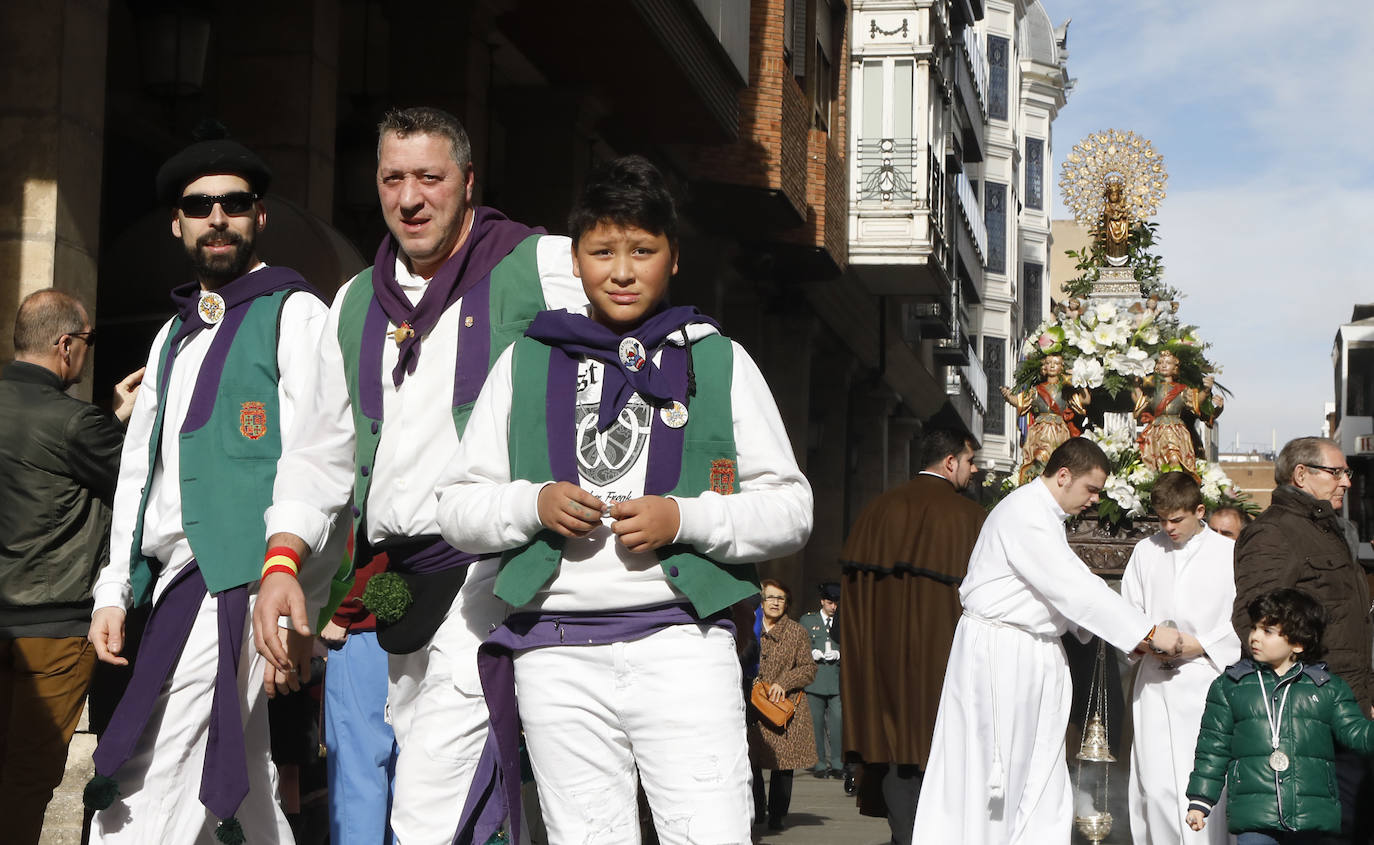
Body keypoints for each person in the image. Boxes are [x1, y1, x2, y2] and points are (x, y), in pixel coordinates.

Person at [434, 154, 813, 844]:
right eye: (602, 251)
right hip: (556, 652)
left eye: (642, 250)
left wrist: (686, 518)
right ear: (575, 260)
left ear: (674, 258)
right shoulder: (526, 362)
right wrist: (532, 504)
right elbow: (457, 508)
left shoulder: (716, 360)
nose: (622, 270)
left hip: (684, 644)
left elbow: (791, 508)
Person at [250, 106, 585, 844]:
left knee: (438, 798)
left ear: (468, 181)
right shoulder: (355, 302)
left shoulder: (540, 266)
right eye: (392, 179)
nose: (409, 198)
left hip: (496, 572)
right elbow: (319, 454)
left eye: (429, 178)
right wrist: (284, 562)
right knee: (408, 775)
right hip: (394, 576)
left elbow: (632, 321)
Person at [84, 130, 345, 844]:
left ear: (259, 215)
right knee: (241, 776)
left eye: (234, 202)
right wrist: (113, 589)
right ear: (178, 223)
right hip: (173, 578)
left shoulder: (296, 312)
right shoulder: (171, 335)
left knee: (149, 768)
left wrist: (298, 589)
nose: (217, 218)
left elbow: (324, 454)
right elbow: (139, 473)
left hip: (245, 579)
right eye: (200, 206)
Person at [911, 437, 1184, 843]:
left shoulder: (1044, 516)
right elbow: (1072, 587)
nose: (1095, 500)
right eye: (1091, 489)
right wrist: (1147, 632)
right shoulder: (1024, 513)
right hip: (1002, 652)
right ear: (1064, 475)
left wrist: (1133, 633)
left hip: (1031, 650)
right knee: (998, 767)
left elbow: (1073, 585)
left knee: (1040, 770)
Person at [0, 290, 140, 845]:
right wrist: (134, 420)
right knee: (26, 780)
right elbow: (141, 484)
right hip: (53, 630)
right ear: (65, 345)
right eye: (88, 340)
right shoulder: (75, 422)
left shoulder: (73, 422)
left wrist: (110, 416)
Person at [838, 427, 985, 845]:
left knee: (893, 752)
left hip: (881, 664)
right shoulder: (970, 518)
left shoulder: (877, 511)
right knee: (938, 751)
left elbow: (853, 605)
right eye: (970, 461)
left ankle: (905, 836)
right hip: (943, 664)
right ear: (950, 462)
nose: (974, 470)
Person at [1232, 436, 1374, 844]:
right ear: (1301, 474)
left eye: (1347, 472)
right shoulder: (1274, 533)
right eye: (1336, 472)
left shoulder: (1329, 531)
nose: (1346, 481)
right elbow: (1256, 621)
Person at [1186, 589, 1374, 845]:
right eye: (1254, 627)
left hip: (1309, 811)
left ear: (1298, 643)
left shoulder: (1327, 688)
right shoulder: (1230, 686)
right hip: (1255, 810)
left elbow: (1356, 733)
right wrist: (1200, 801)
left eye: (1268, 631)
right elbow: (1213, 748)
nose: (1255, 636)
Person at [1120, 471, 1241, 845]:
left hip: (1205, 679)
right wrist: (1145, 641)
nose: (1168, 528)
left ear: (1199, 511)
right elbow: (1127, 612)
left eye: (1176, 520)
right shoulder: (1146, 551)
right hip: (1154, 681)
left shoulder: (1228, 553)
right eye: (1162, 520)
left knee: (1204, 781)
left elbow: (1241, 618)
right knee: (1155, 784)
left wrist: (1201, 644)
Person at [750, 579, 818, 832]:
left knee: (783, 765)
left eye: (781, 598)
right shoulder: (749, 627)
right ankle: (757, 809)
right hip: (752, 706)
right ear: (762, 601)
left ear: (787, 603)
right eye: (771, 597)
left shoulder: (796, 632)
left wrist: (784, 682)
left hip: (783, 709)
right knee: (752, 761)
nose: (775, 603)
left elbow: (808, 668)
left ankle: (777, 815)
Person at [1130, 350, 1223, 475]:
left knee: (1175, 458)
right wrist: (1136, 385)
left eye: (1168, 363)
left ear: (1175, 367)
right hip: (1156, 431)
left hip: (1175, 430)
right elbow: (1140, 403)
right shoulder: (1152, 389)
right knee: (1156, 464)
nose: (1164, 365)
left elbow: (1195, 402)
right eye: (1161, 362)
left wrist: (1205, 391)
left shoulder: (1182, 389)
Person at [1001, 354, 1090, 484]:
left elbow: (1085, 400)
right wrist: (1009, 397)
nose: (1052, 366)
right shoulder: (1036, 390)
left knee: (1058, 461)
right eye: (1048, 363)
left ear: (1062, 367)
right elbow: (1021, 401)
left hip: (1059, 431)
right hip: (1040, 431)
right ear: (1044, 367)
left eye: (1056, 363)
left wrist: (1080, 382)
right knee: (1039, 458)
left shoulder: (1066, 390)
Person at [800, 582, 841, 780]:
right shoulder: (808, 620)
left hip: (836, 679)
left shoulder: (843, 620)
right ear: (822, 601)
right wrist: (810, 653)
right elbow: (799, 644)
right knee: (815, 724)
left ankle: (838, 763)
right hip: (815, 680)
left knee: (838, 723)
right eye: (830, 602)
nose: (834, 607)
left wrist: (840, 654)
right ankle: (819, 764)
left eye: (836, 603)